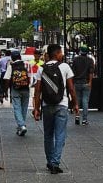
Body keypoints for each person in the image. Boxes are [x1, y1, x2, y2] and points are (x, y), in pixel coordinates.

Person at [32, 44, 76, 174]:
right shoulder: (65, 67)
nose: (62, 55)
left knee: (48, 135)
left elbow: (37, 91)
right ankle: (55, 162)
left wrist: (36, 108)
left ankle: (50, 161)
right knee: (60, 134)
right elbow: (71, 88)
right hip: (61, 104)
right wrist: (75, 103)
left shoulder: (41, 69)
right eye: (61, 52)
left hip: (47, 105)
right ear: (57, 54)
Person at [5, 52, 32, 136]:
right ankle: (21, 125)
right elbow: (30, 77)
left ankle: (21, 125)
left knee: (17, 108)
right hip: (26, 89)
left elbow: (7, 79)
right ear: (20, 57)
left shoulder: (11, 66)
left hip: (15, 89)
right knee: (24, 108)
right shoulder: (27, 64)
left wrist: (6, 90)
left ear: (12, 58)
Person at [70, 49, 94, 126]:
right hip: (86, 82)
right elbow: (91, 72)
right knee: (85, 101)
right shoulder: (90, 60)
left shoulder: (75, 60)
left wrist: (72, 82)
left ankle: (77, 116)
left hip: (77, 82)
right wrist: (90, 82)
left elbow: (72, 72)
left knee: (77, 101)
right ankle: (84, 120)